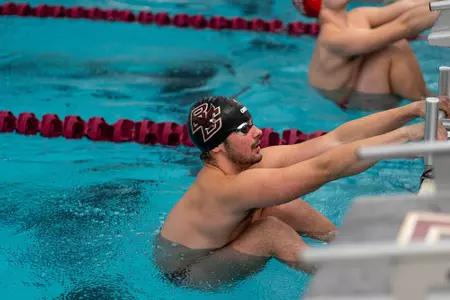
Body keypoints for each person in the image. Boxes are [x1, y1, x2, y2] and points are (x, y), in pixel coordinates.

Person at [152, 95, 450, 291]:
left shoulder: (241, 167)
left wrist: (413, 110)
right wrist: (410, 134)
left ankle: (343, 244)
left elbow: (334, 141)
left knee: (278, 206)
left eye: (252, 124)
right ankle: (364, 282)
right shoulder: (228, 188)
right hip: (188, 272)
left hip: (211, 244)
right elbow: (324, 169)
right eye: (244, 129)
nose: (258, 132)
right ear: (218, 147)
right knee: (270, 230)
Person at [292, 0, 441, 111]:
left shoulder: (358, 16)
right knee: (394, 47)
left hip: (360, 88)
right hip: (358, 101)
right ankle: (432, 104)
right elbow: (404, 27)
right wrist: (442, 10)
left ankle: (432, 100)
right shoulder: (333, 37)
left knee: (390, 46)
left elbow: (407, 5)